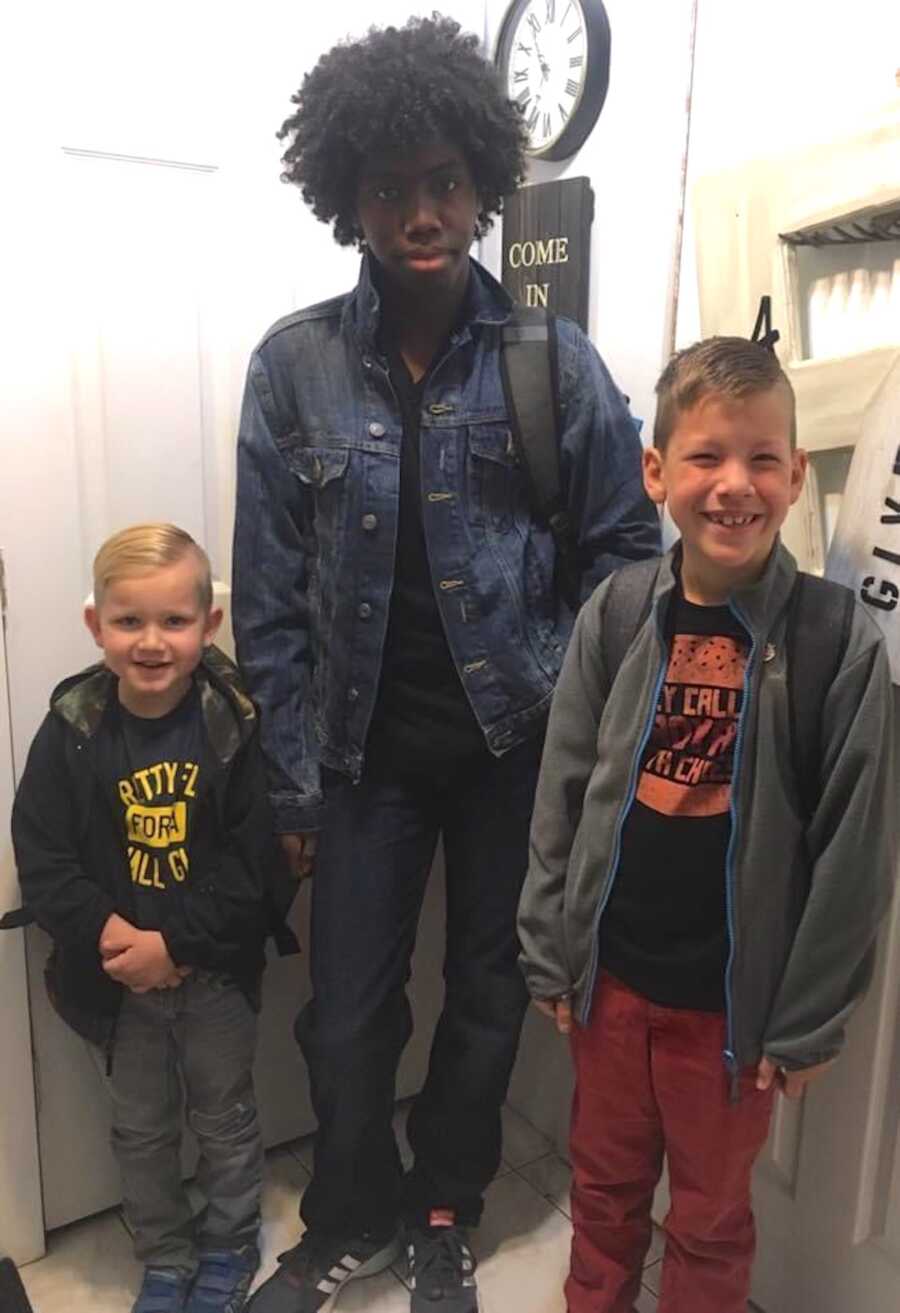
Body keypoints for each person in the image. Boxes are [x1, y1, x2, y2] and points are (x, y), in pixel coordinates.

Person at [232, 15, 660, 1313]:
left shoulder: (551, 363)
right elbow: (269, 602)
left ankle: (442, 1208)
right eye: (389, 185)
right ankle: (350, 1208)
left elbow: (624, 556)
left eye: (442, 183)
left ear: (480, 186)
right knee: (347, 1018)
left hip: (510, 753)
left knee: (487, 994)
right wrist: (296, 782)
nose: (419, 210)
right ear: (347, 192)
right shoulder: (293, 366)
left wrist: (571, 728)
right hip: (359, 760)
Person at [518, 336, 897, 1313]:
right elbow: (563, 787)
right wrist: (554, 945)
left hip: (734, 1013)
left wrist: (810, 1012)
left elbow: (856, 849)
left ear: (797, 473)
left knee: (710, 1216)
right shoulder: (617, 613)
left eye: (763, 458)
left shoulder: (832, 640)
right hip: (612, 990)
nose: (736, 484)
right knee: (601, 1189)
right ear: (658, 472)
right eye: (707, 455)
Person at [11, 524, 297, 1313]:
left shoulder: (233, 724)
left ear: (209, 626)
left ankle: (231, 1244)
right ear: (95, 624)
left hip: (213, 978)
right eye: (129, 620)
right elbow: (41, 852)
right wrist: (111, 937)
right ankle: (165, 1254)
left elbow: (256, 869)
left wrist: (173, 942)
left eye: (174, 621)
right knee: (139, 1129)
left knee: (227, 1117)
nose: (151, 641)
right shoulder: (72, 727)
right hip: (118, 981)